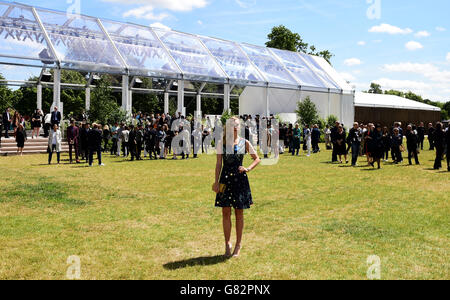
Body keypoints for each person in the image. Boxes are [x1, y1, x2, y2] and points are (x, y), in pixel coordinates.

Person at [213, 116, 261, 258]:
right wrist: (216, 182)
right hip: (225, 180)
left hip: (240, 180)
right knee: (225, 212)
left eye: (237, 124)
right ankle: (227, 243)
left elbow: (257, 158)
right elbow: (218, 164)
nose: (235, 126)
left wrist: (248, 168)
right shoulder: (222, 143)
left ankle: (238, 244)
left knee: (239, 214)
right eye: (232, 124)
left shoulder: (244, 142)